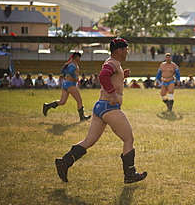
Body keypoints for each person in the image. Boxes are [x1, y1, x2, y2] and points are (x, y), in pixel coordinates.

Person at [55, 37, 147, 184]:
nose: (127, 52)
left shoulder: (113, 63)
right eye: (126, 49)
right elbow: (103, 76)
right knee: (128, 139)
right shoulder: (113, 63)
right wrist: (112, 94)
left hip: (101, 107)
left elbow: (109, 77)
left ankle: (64, 162)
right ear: (119, 50)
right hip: (109, 107)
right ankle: (130, 174)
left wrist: (123, 76)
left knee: (89, 141)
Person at [42, 52, 91, 121]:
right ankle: (82, 117)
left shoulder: (69, 64)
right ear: (76, 57)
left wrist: (67, 75)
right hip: (71, 84)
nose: (80, 59)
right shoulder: (73, 64)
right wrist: (75, 77)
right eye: (79, 57)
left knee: (62, 102)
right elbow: (71, 71)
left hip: (65, 84)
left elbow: (62, 70)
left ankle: (47, 106)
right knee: (79, 100)